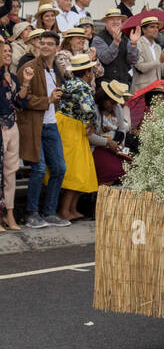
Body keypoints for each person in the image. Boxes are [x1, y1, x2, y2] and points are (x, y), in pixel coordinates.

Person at [16, 30, 68, 227]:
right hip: (32, 126)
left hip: (51, 124)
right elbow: (21, 99)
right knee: (38, 169)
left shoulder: (56, 69)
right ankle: (32, 213)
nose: (45, 46)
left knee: (59, 168)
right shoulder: (28, 67)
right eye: (42, 43)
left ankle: (49, 212)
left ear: (57, 47)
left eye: (49, 43)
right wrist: (48, 100)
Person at [55, 53, 100, 222]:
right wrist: (93, 123)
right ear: (88, 73)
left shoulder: (71, 83)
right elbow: (88, 109)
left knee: (79, 171)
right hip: (72, 128)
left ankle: (71, 209)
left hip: (69, 125)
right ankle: (65, 210)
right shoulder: (82, 87)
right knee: (76, 172)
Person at [89, 82, 134, 184]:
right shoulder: (93, 109)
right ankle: (99, 195)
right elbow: (89, 136)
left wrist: (121, 143)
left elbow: (122, 129)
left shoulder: (117, 108)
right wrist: (107, 142)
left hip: (113, 147)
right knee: (113, 169)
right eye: (112, 102)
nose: (113, 106)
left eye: (115, 103)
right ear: (104, 98)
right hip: (95, 147)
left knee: (129, 166)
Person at [0, 38, 21, 229]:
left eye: (9, 51)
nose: (7, 53)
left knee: (11, 173)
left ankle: (10, 214)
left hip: (13, 125)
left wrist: (27, 84)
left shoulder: (14, 78)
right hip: (0, 125)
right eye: (3, 50)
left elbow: (20, 103)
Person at [94, 9, 139, 85]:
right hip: (107, 85)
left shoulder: (125, 38)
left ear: (121, 22)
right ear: (106, 22)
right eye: (112, 19)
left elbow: (133, 61)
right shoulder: (98, 39)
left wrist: (133, 44)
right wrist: (115, 43)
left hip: (124, 83)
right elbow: (105, 59)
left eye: (118, 19)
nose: (116, 22)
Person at [133, 17, 164, 86]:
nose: (156, 30)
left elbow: (162, 72)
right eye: (152, 27)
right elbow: (141, 67)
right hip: (142, 89)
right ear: (144, 29)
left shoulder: (158, 47)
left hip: (157, 88)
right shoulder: (137, 44)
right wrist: (159, 61)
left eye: (157, 27)